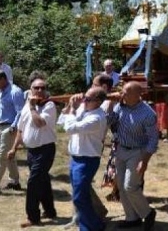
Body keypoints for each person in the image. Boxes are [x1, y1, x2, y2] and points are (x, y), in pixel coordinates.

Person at [105, 81, 158, 230]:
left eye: (126, 92)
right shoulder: (120, 106)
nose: (122, 94)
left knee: (130, 186)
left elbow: (153, 139)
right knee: (121, 186)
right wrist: (110, 103)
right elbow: (109, 122)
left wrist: (145, 161)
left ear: (137, 95)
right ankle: (131, 218)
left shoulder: (148, 113)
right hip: (121, 149)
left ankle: (148, 213)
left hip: (137, 152)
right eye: (122, 91)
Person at [8, 74, 57, 228]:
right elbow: (21, 129)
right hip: (32, 151)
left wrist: (32, 107)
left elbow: (40, 123)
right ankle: (50, 211)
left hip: (45, 150)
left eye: (43, 88)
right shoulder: (26, 105)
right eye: (36, 87)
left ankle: (33, 217)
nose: (40, 90)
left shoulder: (49, 105)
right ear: (31, 89)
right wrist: (14, 148)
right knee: (43, 181)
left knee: (33, 182)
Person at [63, 87, 108, 231]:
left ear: (99, 102)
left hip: (86, 161)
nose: (84, 101)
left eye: (88, 99)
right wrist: (71, 106)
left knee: (79, 198)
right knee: (82, 195)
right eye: (84, 97)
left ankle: (93, 227)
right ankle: (90, 224)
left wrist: (71, 110)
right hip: (76, 158)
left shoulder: (96, 118)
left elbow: (69, 128)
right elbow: (62, 120)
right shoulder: (86, 108)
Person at [0, 70, 24, 191]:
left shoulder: (15, 91)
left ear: (3, 79)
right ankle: (15, 182)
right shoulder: (1, 91)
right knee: (9, 156)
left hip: (9, 127)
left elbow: (20, 112)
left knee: (1, 156)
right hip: (1, 125)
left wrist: (14, 127)